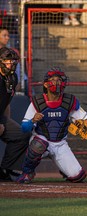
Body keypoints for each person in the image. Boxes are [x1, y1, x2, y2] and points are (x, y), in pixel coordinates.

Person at [16, 67, 87, 183]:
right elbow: (24, 128)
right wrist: (32, 120)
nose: (57, 82)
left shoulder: (69, 101)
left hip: (60, 143)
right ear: (46, 84)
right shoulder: (37, 102)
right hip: (42, 139)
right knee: (38, 145)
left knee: (78, 176)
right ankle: (27, 172)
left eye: (59, 80)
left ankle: (64, 168)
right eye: (53, 80)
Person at [0, 47, 30, 181]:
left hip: (1, 117)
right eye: (7, 61)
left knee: (22, 134)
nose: (10, 64)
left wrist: (6, 121)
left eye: (13, 61)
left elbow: (6, 102)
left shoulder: (12, 78)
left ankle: (7, 169)